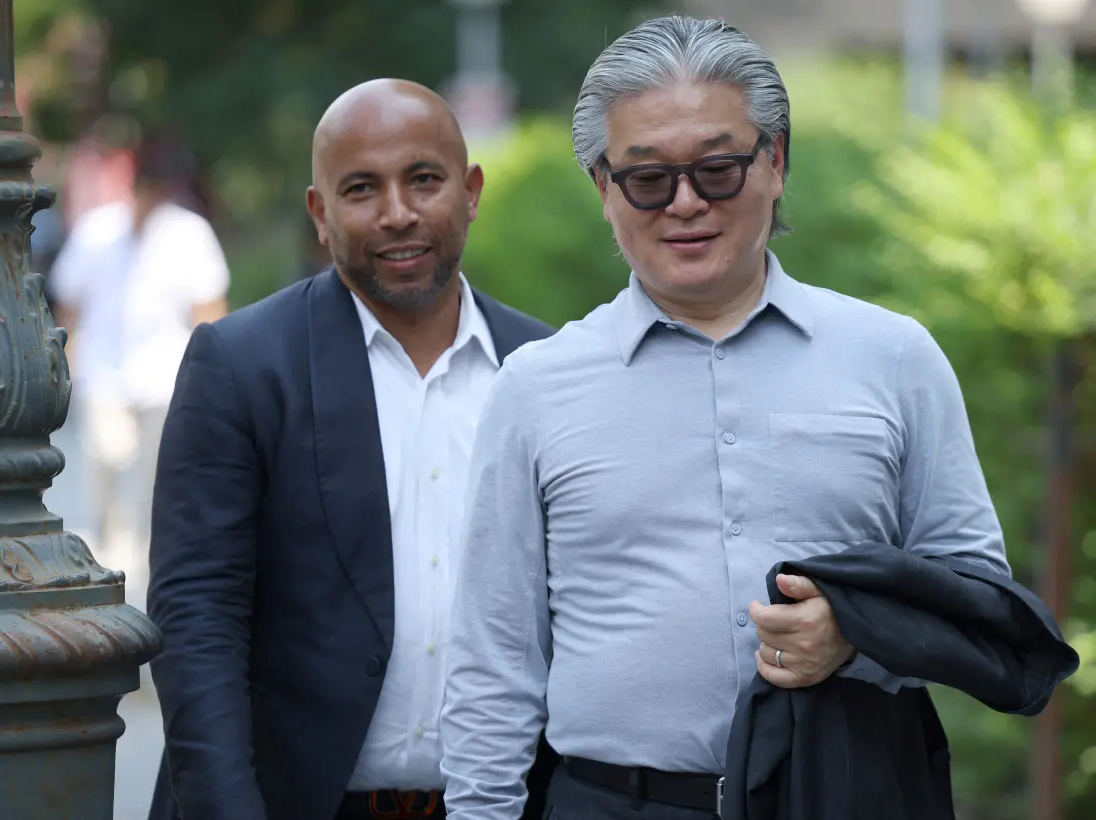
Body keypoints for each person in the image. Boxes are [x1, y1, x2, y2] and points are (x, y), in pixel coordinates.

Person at [439, 16, 1010, 820]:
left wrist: (857, 629)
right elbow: (493, 663)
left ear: (775, 163)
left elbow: (975, 584)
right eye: (647, 178)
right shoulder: (535, 387)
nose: (684, 203)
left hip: (846, 794)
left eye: (717, 168)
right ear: (603, 190)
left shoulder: (895, 357)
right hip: (613, 803)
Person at [145, 79, 559, 820]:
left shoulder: (545, 369)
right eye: (362, 188)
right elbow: (194, 616)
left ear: (471, 191)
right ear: (321, 213)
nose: (398, 213)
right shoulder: (242, 365)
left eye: (424, 180)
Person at [48, 132, 229, 562]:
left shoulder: (189, 234)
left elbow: (208, 310)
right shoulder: (98, 230)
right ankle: (108, 547)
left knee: (157, 473)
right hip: (105, 372)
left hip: (165, 375)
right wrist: (64, 356)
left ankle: (149, 551)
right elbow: (69, 302)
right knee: (106, 456)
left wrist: (209, 375)